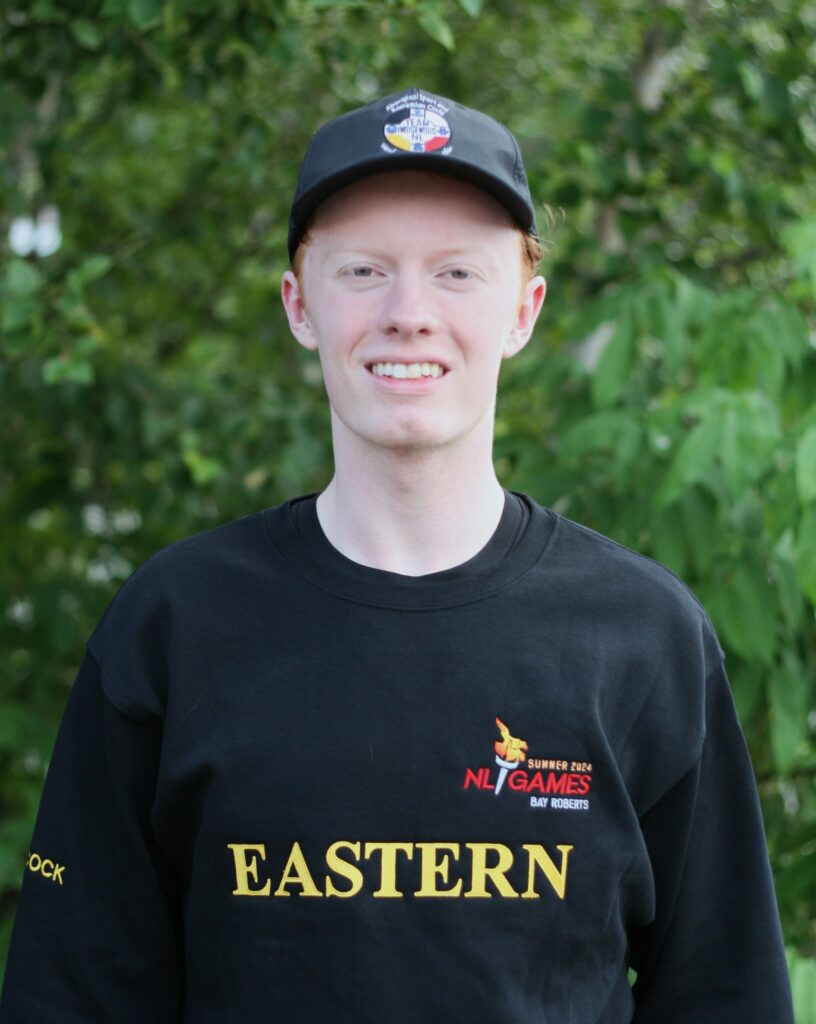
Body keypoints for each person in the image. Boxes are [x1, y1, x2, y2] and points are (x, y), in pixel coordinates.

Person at [0, 87, 794, 1023]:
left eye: (457, 273)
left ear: (524, 310)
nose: (408, 313)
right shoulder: (173, 627)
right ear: (299, 305)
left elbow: (726, 994)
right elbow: (73, 997)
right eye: (363, 271)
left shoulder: (645, 638)